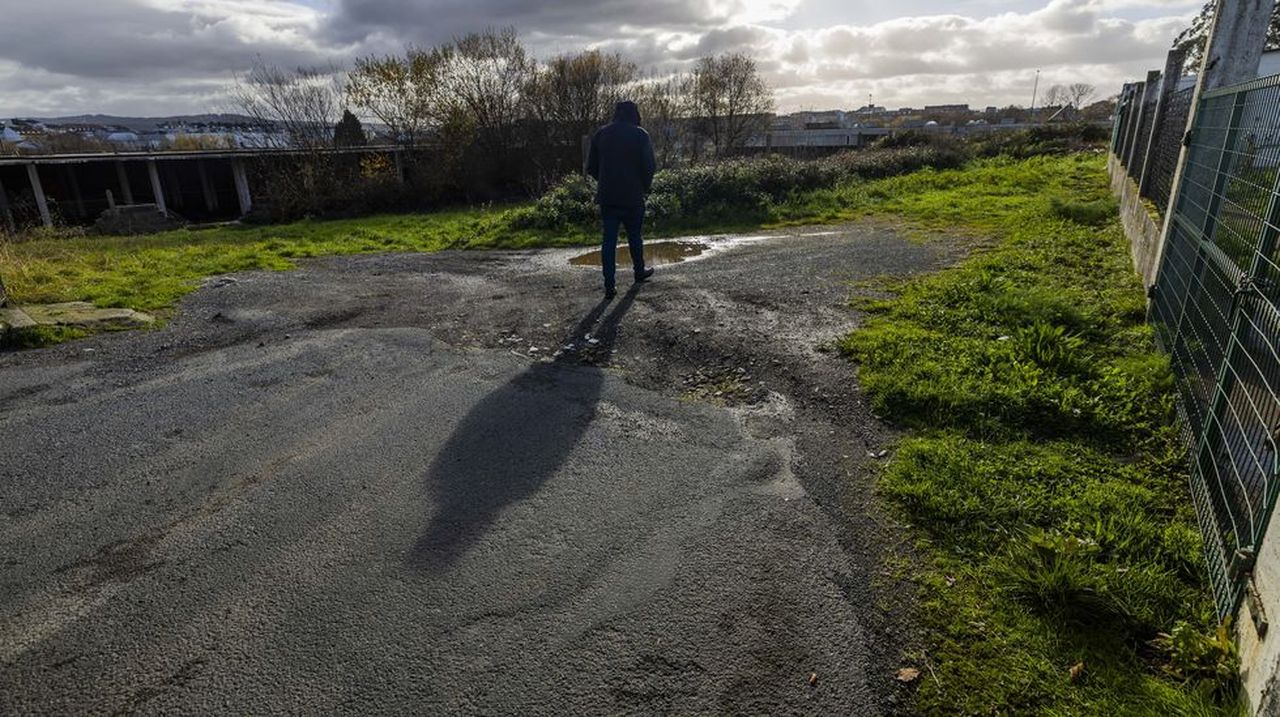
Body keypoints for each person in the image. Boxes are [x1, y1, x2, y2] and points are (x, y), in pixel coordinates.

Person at [586, 100, 657, 298]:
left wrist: (606, 180)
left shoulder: (601, 134)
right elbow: (650, 166)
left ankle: (609, 285)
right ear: (634, 114)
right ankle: (639, 272)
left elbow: (591, 167)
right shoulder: (640, 134)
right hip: (633, 196)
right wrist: (642, 186)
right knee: (635, 236)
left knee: (608, 241)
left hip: (608, 196)